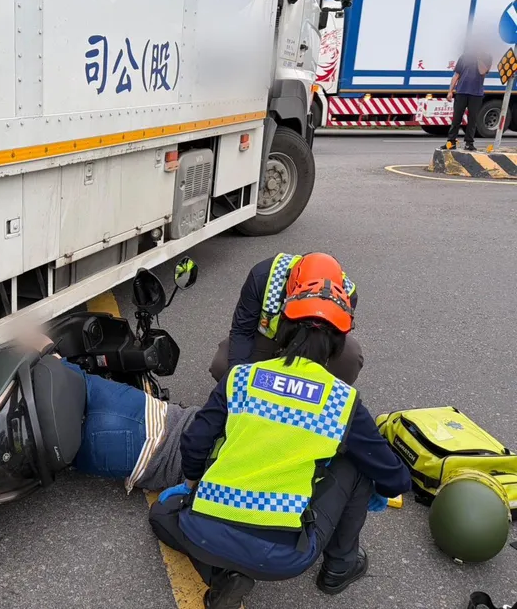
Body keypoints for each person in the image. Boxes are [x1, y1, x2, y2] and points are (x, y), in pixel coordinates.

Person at [149, 263, 411, 609]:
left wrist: (193, 481)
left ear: (282, 328)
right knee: (357, 463)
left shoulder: (240, 378)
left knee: (161, 515)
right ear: (338, 344)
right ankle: (340, 566)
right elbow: (395, 478)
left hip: (203, 531)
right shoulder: (341, 401)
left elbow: (196, 439)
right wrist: (374, 486)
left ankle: (222, 576)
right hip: (284, 555)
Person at [24, 333, 199, 492]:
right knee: (42, 446)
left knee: (54, 361)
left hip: (152, 416)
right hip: (143, 459)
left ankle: (7, 324)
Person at [208, 252, 362, 385]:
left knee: (350, 357)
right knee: (222, 364)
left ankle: (322, 398)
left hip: (314, 344)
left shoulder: (347, 295)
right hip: (269, 341)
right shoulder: (263, 277)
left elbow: (333, 343)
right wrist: (237, 382)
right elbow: (242, 331)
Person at [443, 40, 493, 152]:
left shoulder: (487, 57)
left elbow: (482, 72)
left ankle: (469, 143)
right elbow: (457, 74)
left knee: (472, 119)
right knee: (456, 118)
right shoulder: (464, 57)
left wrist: (479, 58)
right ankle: (451, 142)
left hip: (476, 93)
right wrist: (450, 91)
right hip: (461, 91)